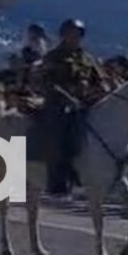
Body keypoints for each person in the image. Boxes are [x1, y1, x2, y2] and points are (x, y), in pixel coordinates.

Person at [40, 19, 109, 192]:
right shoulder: (53, 57)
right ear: (63, 35)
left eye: (78, 35)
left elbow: (99, 79)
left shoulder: (87, 58)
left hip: (84, 103)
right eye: (70, 34)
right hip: (59, 104)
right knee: (59, 134)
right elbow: (45, 82)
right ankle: (57, 177)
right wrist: (65, 96)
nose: (74, 38)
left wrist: (102, 89)